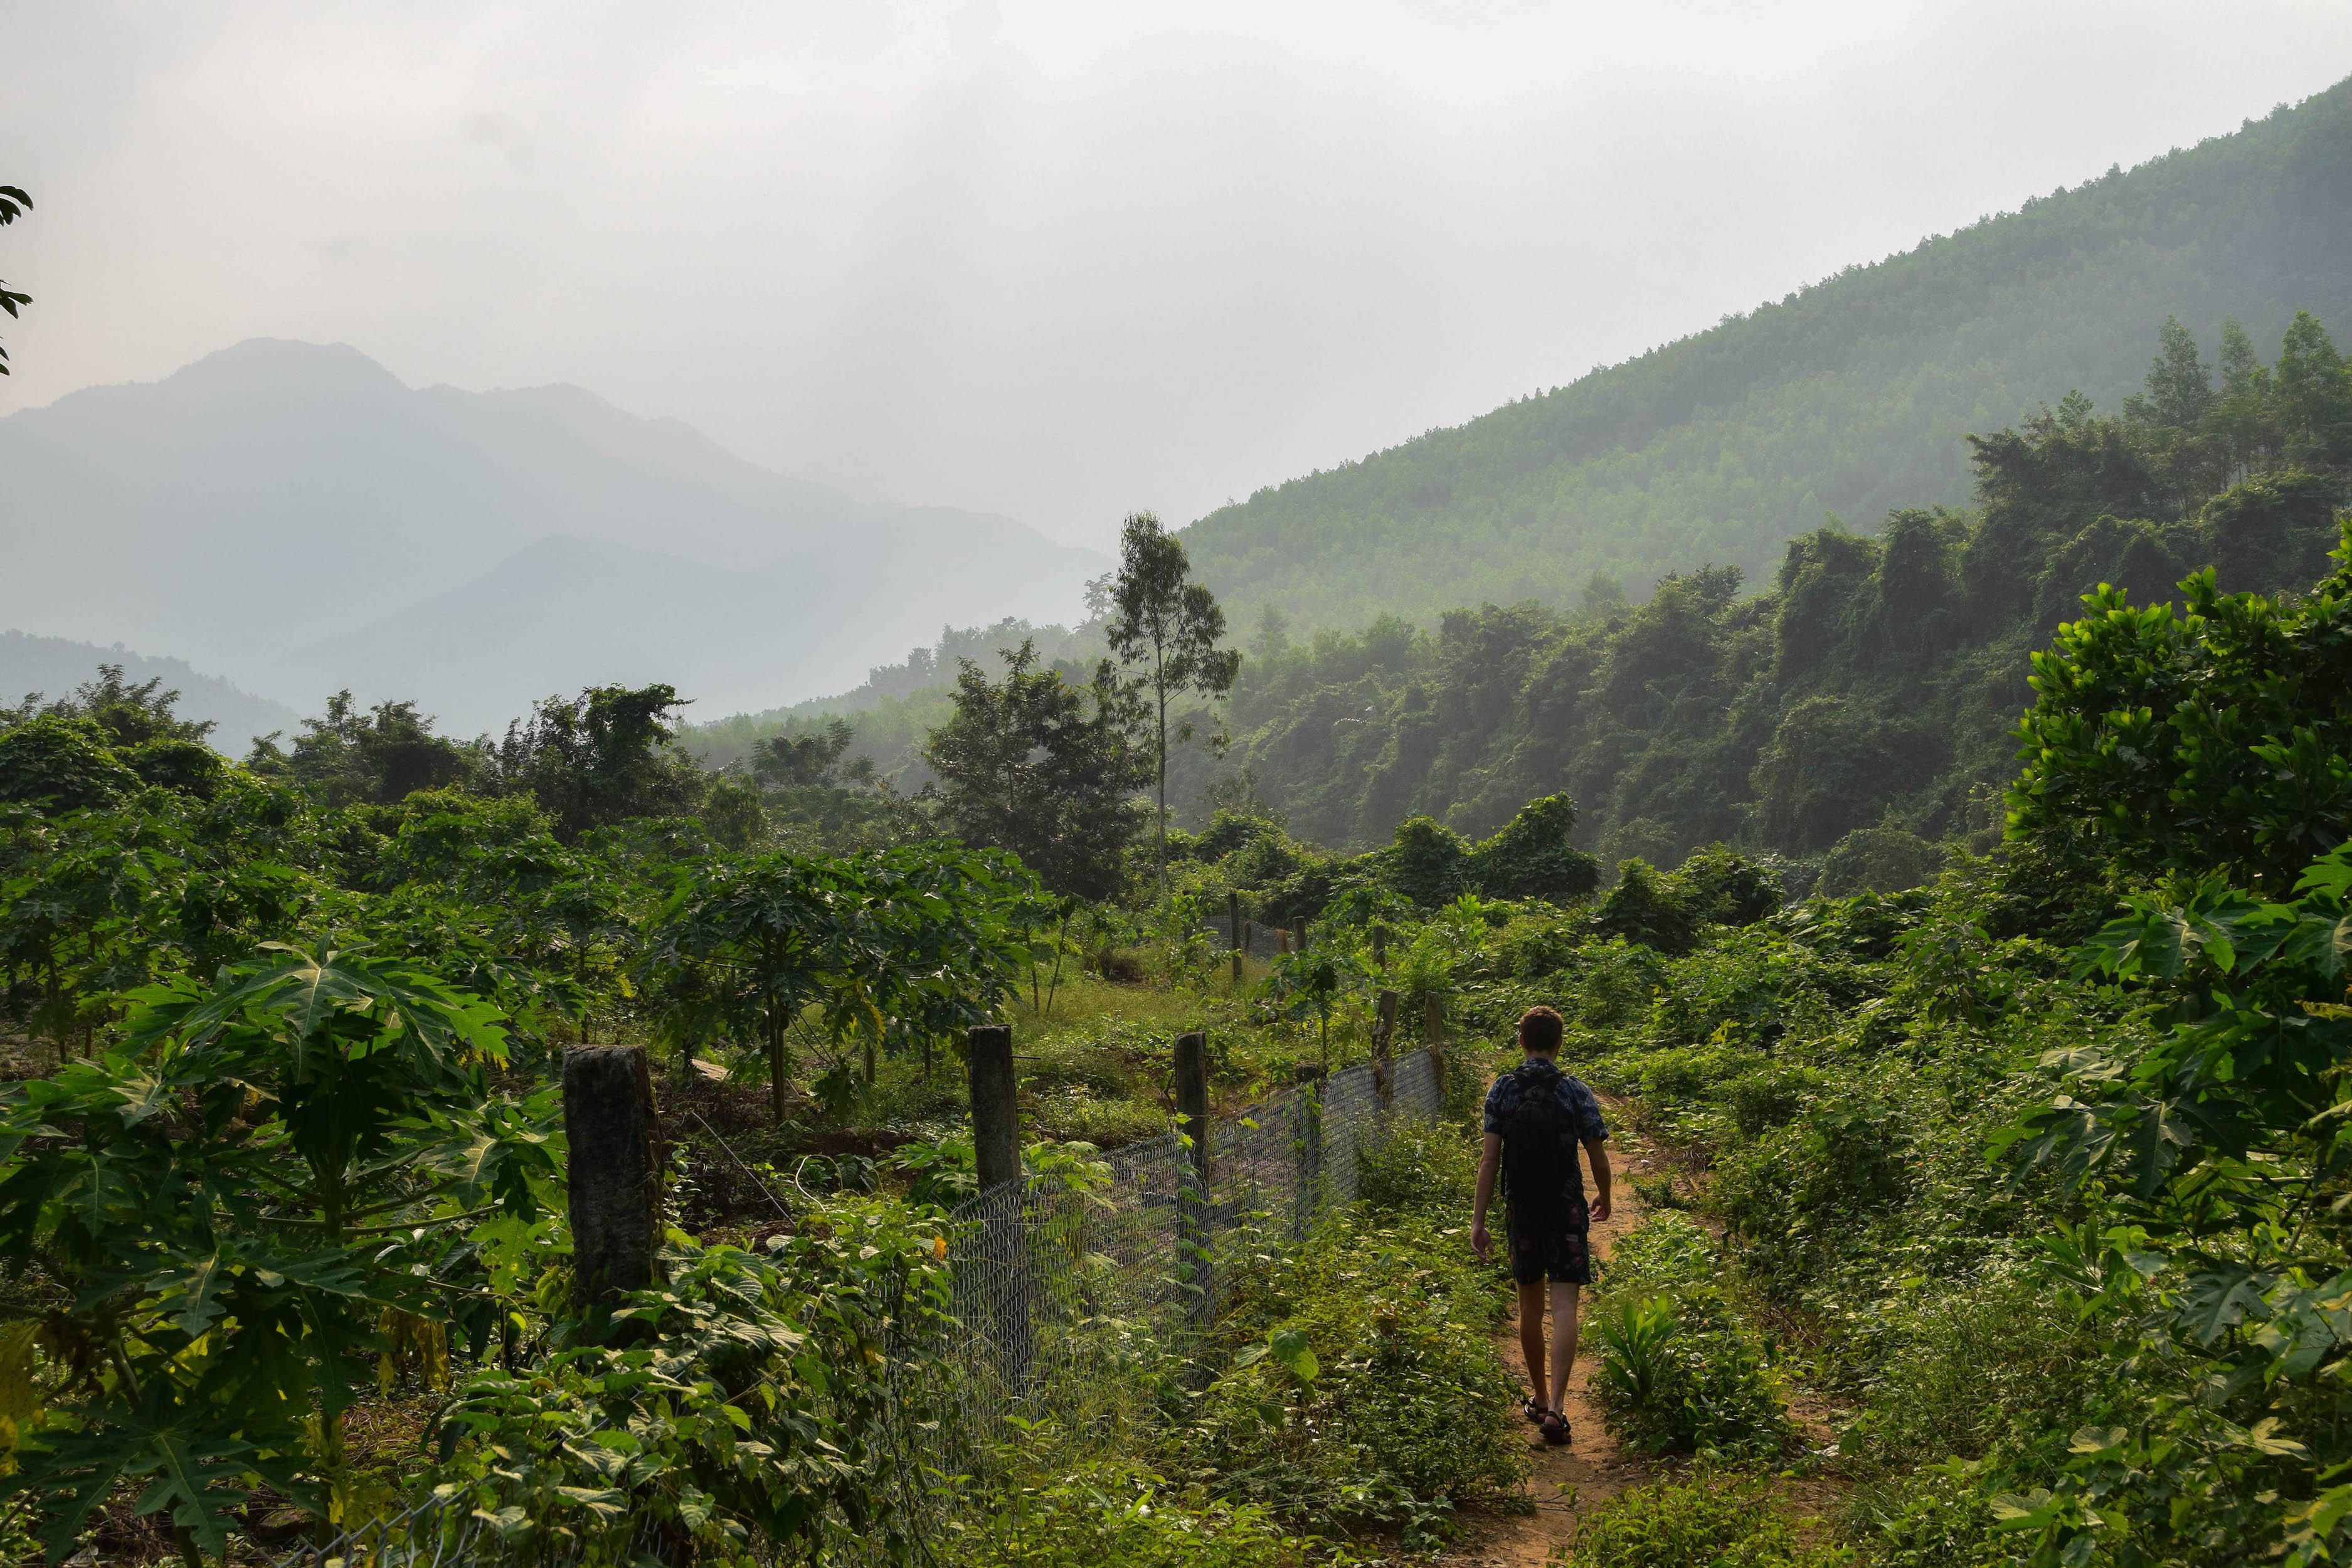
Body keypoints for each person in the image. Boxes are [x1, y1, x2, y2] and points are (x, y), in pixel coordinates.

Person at [1472, 1005, 1611, 1447]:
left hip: (1523, 1209)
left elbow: (1490, 1159)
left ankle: (1538, 1394)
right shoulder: (1575, 1090)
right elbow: (1596, 1153)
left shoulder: (1503, 1089)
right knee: (1566, 1305)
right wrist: (1605, 1195)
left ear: (1521, 1042)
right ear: (1560, 1043)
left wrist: (1479, 1220)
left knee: (1530, 1307)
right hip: (1567, 1207)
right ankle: (1558, 1409)